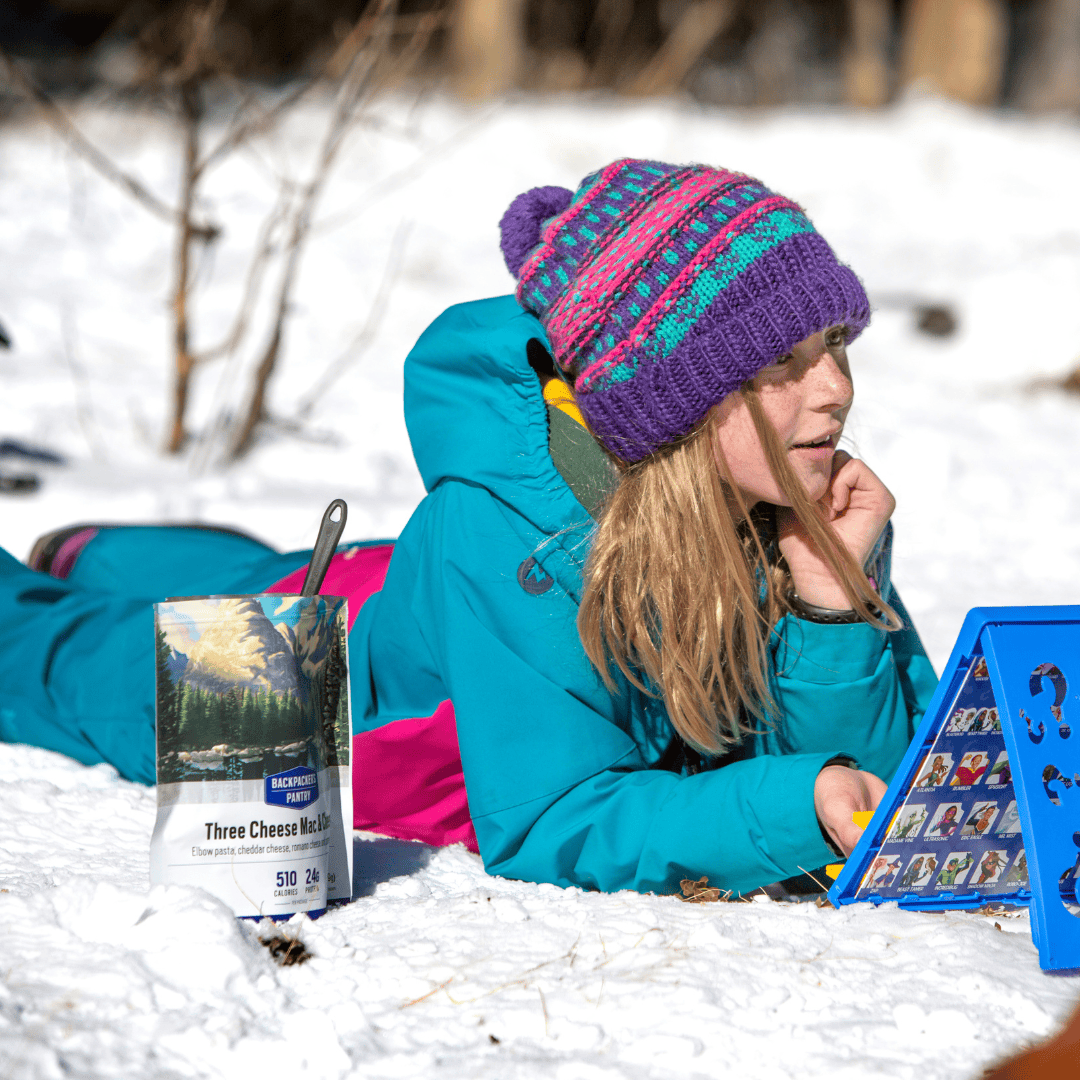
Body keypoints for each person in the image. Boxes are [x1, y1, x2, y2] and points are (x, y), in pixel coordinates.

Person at [0, 158, 937, 896]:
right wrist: (794, 806)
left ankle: (98, 551)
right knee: (67, 663)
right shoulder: (508, 539)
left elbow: (884, 798)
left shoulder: (803, 502)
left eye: (836, 346)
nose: (837, 390)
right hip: (336, 693)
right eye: (783, 361)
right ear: (674, 399)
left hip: (414, 588)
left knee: (311, 568)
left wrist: (830, 609)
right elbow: (553, 816)